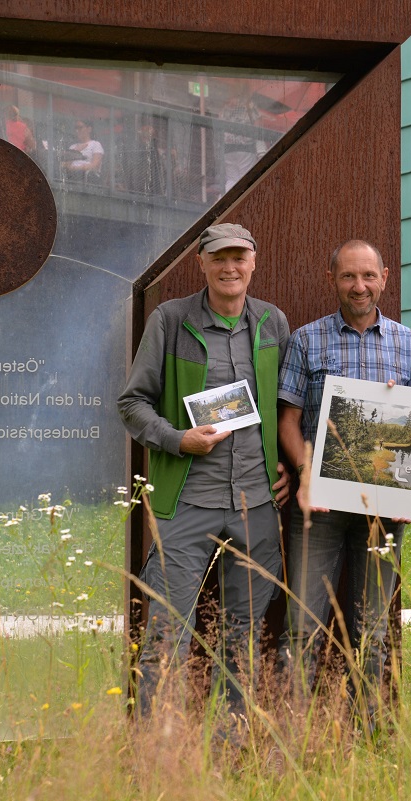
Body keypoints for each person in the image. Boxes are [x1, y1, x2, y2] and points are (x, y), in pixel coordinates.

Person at [117, 223, 290, 732]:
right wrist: (178, 440)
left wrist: (286, 461)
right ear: (202, 263)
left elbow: (286, 403)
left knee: (244, 632)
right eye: (219, 257)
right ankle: (157, 745)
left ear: (254, 262)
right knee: (167, 630)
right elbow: (132, 403)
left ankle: (229, 741)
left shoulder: (273, 322)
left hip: (256, 501)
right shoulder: (170, 320)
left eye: (239, 256)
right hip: (187, 500)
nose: (229, 267)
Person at [276, 240, 411, 731]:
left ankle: (371, 736)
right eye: (348, 276)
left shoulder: (408, 343)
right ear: (332, 279)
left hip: (384, 507)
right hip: (319, 506)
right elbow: (287, 421)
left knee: (373, 632)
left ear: (384, 278)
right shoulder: (306, 340)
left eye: (368, 276)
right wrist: (307, 472)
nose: (359, 286)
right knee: (302, 626)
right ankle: (290, 738)